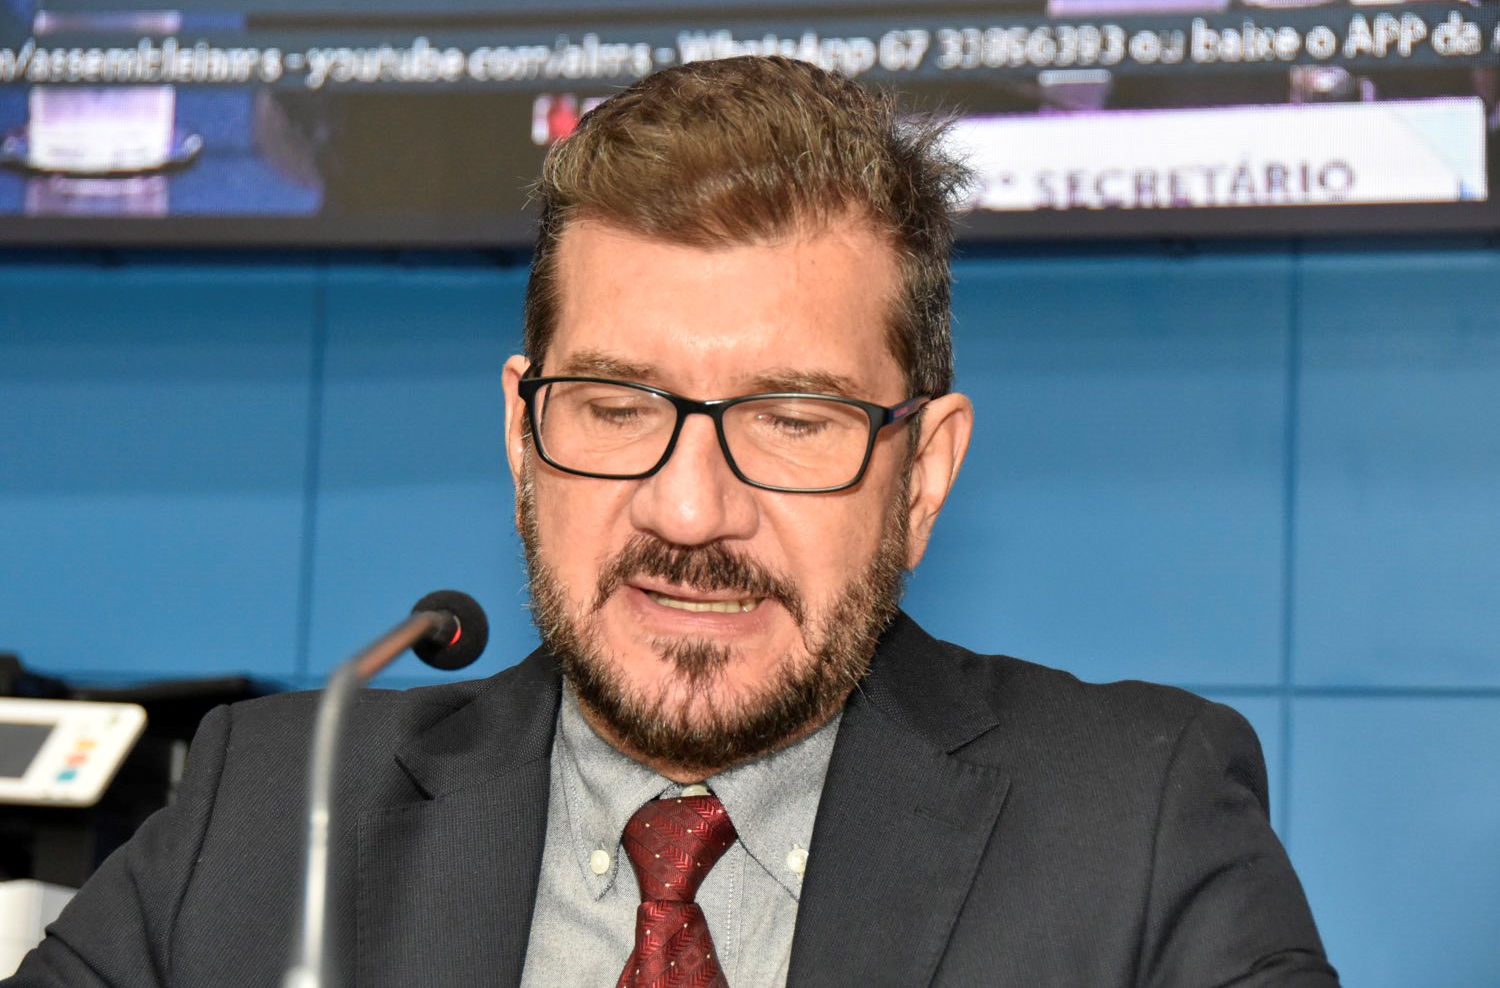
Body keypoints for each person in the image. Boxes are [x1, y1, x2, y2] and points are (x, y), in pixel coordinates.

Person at [4, 56, 1339, 988]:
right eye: (616, 407)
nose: (690, 511)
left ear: (923, 476)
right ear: (522, 436)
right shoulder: (275, 808)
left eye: (793, 420)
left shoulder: (1134, 825)